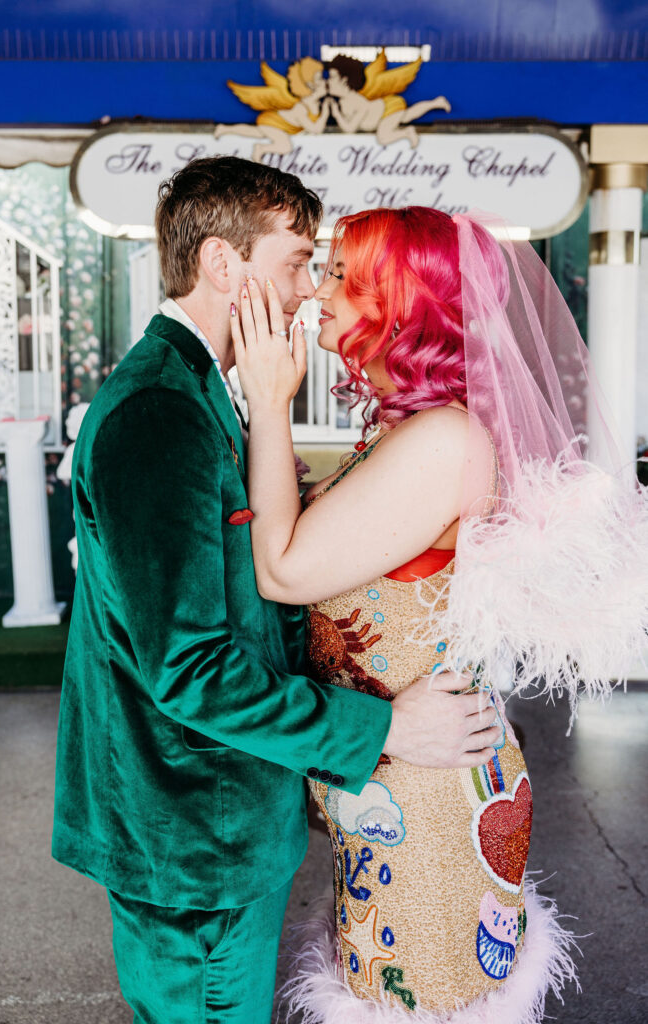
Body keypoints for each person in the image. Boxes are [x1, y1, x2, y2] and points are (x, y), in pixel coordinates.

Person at [51, 159, 502, 1024]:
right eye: (299, 262)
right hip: (192, 835)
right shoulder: (159, 411)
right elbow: (190, 670)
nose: (305, 291)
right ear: (224, 265)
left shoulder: (200, 395)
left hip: (214, 819)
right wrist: (385, 727)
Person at [230, 205, 621, 1021]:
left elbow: (283, 568)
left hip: (433, 805)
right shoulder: (406, 431)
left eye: (342, 275)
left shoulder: (441, 438)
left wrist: (268, 403)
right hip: (398, 785)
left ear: (399, 299)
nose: (316, 292)